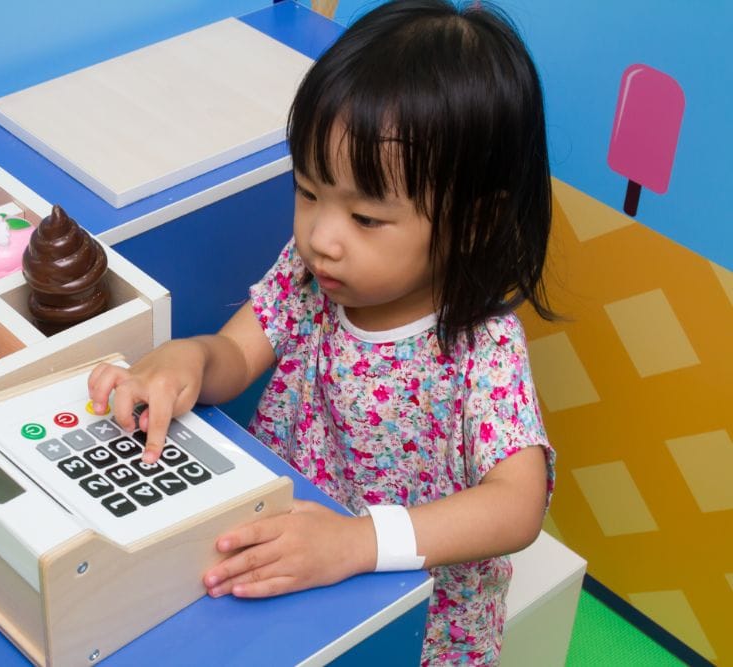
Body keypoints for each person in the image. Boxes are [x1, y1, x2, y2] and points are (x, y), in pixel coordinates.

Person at [88, 1, 556, 663]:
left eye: (366, 217)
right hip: (289, 551)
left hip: (413, 614)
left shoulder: (482, 345)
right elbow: (235, 354)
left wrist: (358, 542)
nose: (321, 236)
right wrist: (185, 358)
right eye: (308, 190)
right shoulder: (312, 275)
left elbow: (518, 505)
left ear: (471, 223)